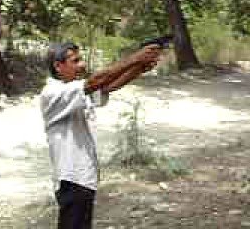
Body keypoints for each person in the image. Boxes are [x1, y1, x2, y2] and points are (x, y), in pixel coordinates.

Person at [40, 41, 162, 229]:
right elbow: (95, 82)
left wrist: (138, 68)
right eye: (75, 61)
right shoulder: (53, 92)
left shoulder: (71, 91)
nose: (82, 65)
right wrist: (135, 58)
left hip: (81, 177)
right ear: (58, 66)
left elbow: (107, 87)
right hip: (71, 178)